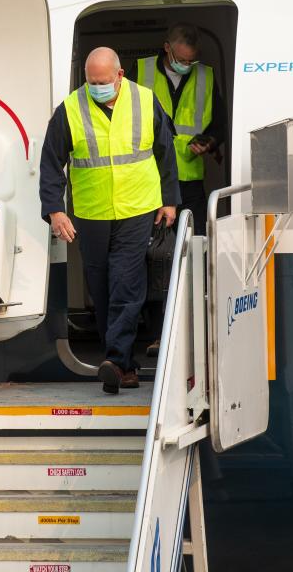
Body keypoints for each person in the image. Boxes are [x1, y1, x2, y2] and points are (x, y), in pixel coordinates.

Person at [39, 47, 180, 394]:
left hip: (137, 207)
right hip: (92, 212)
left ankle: (115, 359)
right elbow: (50, 161)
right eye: (91, 82)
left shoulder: (145, 101)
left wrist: (169, 200)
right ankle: (125, 368)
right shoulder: (71, 108)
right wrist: (55, 209)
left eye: (103, 81)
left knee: (126, 283)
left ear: (119, 75)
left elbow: (165, 151)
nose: (96, 87)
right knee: (100, 289)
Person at [134, 23, 226, 356]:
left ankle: (193, 331)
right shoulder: (140, 72)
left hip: (189, 181)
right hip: (150, 181)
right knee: (154, 259)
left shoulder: (206, 76)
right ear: (167, 49)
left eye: (191, 60)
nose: (186, 65)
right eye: (181, 59)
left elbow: (220, 121)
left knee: (194, 253)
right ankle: (158, 333)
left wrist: (210, 141)